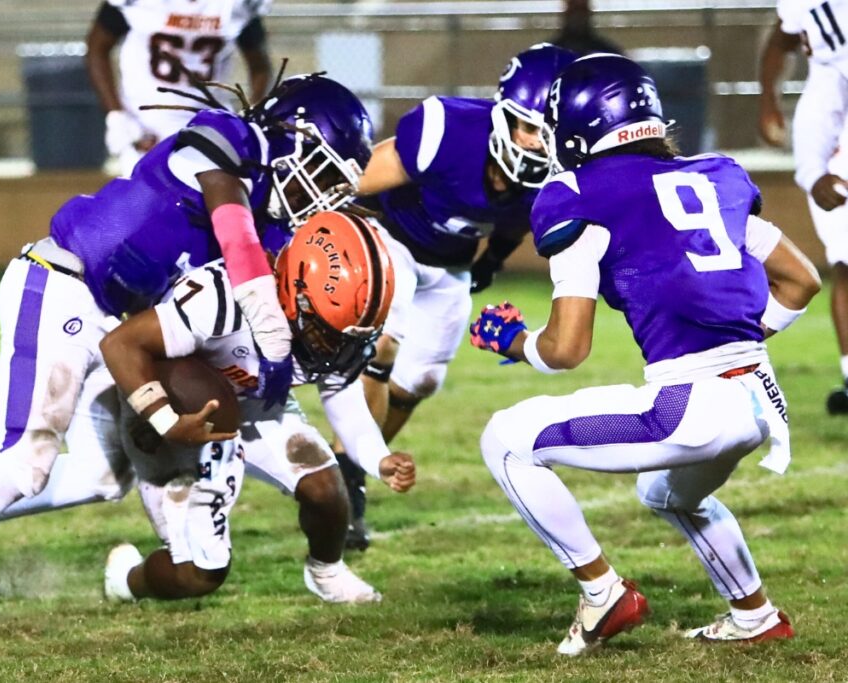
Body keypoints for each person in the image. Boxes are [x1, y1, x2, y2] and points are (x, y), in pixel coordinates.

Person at [0, 75, 373, 630]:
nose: (322, 192)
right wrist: (268, 335)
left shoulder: (269, 218)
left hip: (120, 319)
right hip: (62, 284)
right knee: (27, 457)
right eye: (323, 172)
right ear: (293, 138)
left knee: (100, 475)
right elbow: (235, 237)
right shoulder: (229, 140)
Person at [473, 53, 820, 655]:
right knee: (666, 493)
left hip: (689, 406)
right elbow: (802, 280)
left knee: (504, 440)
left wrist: (516, 341)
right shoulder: (717, 176)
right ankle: (755, 616)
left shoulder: (576, 194)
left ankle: (602, 593)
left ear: (578, 126)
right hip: (760, 401)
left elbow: (567, 348)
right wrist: (734, 337)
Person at [99, 212, 415, 603]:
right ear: (294, 290)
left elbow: (342, 395)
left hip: (253, 405)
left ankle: (326, 572)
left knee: (325, 491)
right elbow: (121, 344)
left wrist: (378, 458)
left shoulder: (327, 326)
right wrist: (162, 419)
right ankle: (125, 582)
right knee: (199, 575)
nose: (336, 347)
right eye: (327, 332)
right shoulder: (223, 299)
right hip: (178, 415)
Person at [334, 43, 577, 550]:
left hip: (451, 263)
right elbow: (354, 180)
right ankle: (352, 484)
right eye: (530, 128)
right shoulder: (446, 129)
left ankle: (344, 465)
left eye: (551, 133)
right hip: (391, 240)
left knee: (421, 379)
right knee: (383, 347)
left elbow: (515, 222)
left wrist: (493, 261)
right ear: (504, 115)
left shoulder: (556, 177)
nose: (539, 144)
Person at [758, 0, 848, 413]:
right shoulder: (830, 68)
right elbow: (783, 42)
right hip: (835, 140)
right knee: (846, 263)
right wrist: (815, 175)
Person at [86, 0, 274, 176]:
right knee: (149, 196)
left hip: (211, 122)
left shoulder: (236, 4)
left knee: (221, 193)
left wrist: (252, 115)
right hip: (147, 123)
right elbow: (97, 47)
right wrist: (117, 115)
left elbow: (260, 67)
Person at [551, 0, 624, 57]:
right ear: (566, 12)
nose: (578, 16)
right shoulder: (552, 54)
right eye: (575, 9)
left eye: (582, 9)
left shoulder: (608, 53)